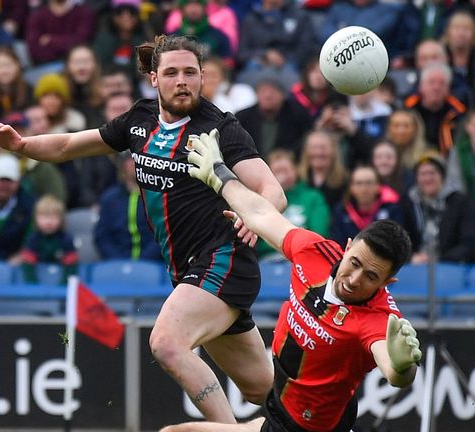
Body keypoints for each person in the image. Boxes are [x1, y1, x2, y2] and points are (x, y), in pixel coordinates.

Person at [0, 35, 286, 423]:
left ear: (203, 77)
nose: (182, 81)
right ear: (153, 79)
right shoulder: (139, 121)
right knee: (264, 391)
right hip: (190, 273)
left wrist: (251, 219)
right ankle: (326, 420)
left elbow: (272, 191)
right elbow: (67, 146)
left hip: (223, 262)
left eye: (190, 73)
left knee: (166, 343)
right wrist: (22, 145)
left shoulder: (221, 129)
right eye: (172, 73)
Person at [161, 129, 422, 432]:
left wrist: (404, 369)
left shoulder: (379, 319)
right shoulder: (316, 252)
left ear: (389, 282)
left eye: (371, 277)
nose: (354, 279)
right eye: (355, 263)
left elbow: (392, 370)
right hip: (279, 411)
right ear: (348, 246)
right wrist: (219, 175)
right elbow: (260, 214)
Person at [20, 194, 79, 284]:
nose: (49, 222)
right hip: (38, 285)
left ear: (61, 219)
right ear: (36, 219)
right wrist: (33, 286)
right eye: (44, 217)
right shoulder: (32, 239)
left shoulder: (66, 239)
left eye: (54, 217)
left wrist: (63, 286)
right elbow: (27, 265)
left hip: (60, 285)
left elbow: (71, 265)